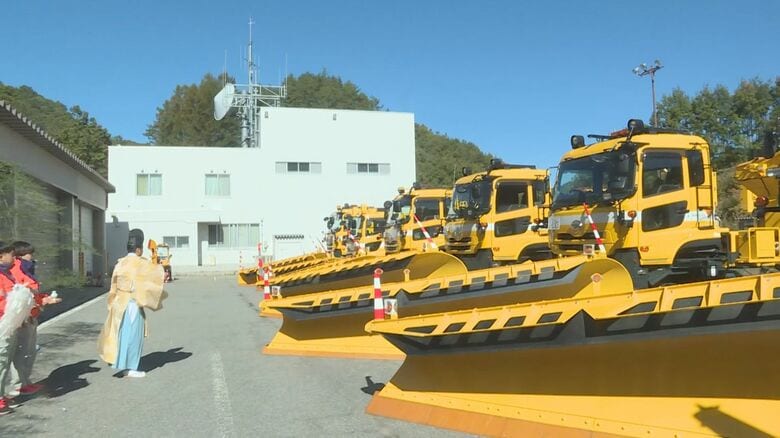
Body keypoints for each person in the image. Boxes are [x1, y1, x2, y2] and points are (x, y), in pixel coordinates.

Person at [97, 229, 166, 378]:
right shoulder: (140, 263)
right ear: (139, 249)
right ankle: (131, 367)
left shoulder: (120, 264)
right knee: (134, 336)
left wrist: (112, 304)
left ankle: (121, 363)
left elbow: (113, 287)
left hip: (119, 303)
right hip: (133, 303)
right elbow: (154, 278)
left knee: (121, 335)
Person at [7, 241, 60, 397]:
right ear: (21, 255)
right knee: (22, 352)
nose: (32, 257)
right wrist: (42, 300)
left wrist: (43, 298)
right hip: (24, 316)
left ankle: (23, 382)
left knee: (27, 351)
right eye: (30, 253)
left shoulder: (24, 269)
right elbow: (23, 294)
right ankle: (19, 385)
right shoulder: (18, 270)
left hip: (29, 314)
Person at [0, 241, 34, 415]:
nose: (14, 258)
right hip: (3, 323)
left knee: (5, 361)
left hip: (11, 322)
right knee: (1, 360)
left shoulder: (6, 274)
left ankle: (2, 396)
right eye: (11, 255)